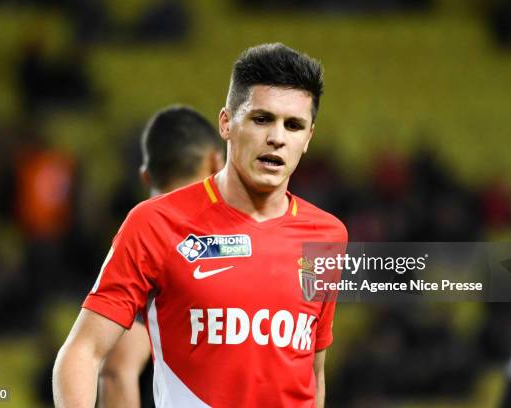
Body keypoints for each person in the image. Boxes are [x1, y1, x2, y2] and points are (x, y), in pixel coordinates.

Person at [53, 43, 348, 407]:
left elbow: (313, 374)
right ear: (226, 123)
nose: (277, 137)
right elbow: (82, 352)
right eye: (261, 119)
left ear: (308, 139)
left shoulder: (327, 236)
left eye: (294, 125)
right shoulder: (156, 224)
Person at [98, 105, 224, 407]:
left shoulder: (130, 239)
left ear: (146, 176)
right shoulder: (159, 243)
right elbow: (116, 368)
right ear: (215, 161)